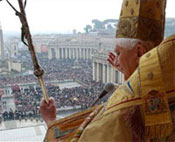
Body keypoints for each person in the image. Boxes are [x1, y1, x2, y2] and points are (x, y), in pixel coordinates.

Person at [40, 0, 172, 141]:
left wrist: (51, 122)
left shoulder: (120, 111)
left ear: (139, 52)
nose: (116, 60)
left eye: (119, 53)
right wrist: (131, 71)